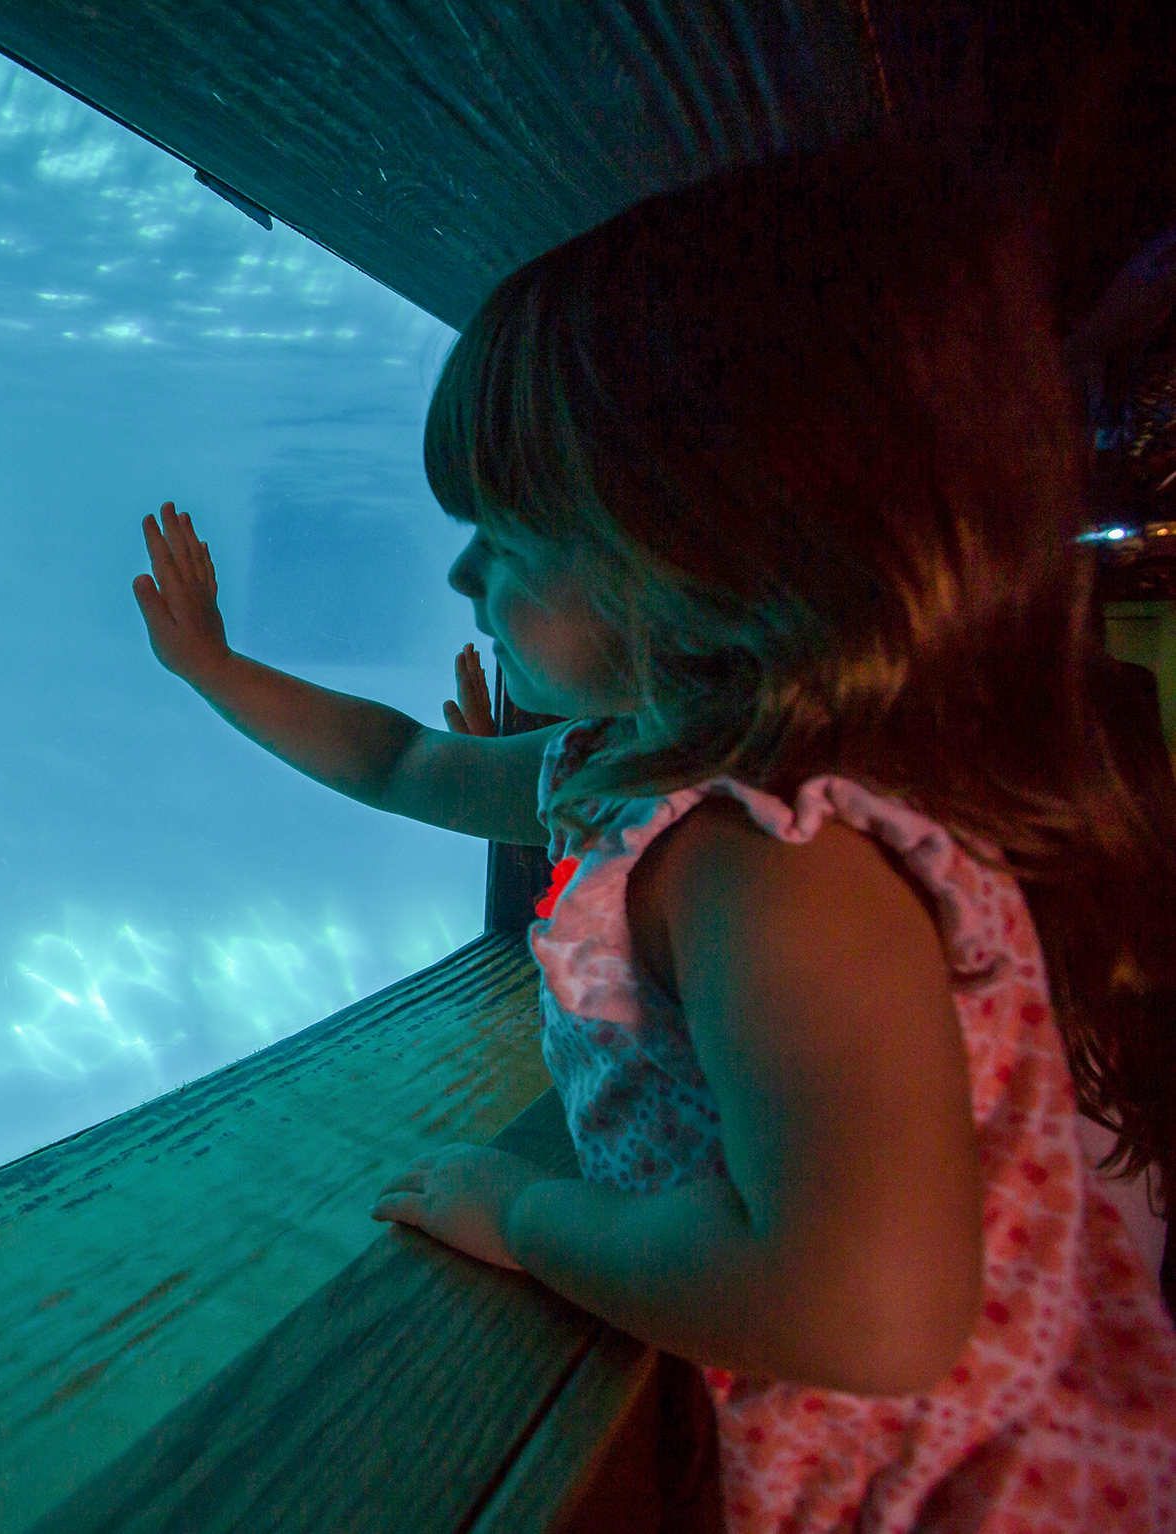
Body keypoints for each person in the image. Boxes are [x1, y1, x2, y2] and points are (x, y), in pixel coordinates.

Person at [132, 140, 1176, 1530]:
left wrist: (530, 1220)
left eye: (506, 533)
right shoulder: (630, 768)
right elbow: (408, 757)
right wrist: (218, 666)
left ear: (700, 555)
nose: (460, 573)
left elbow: (869, 1315)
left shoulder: (775, 867)